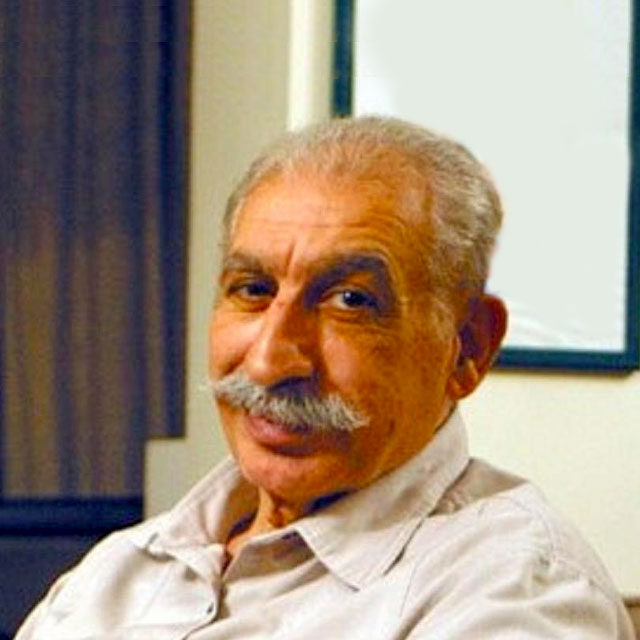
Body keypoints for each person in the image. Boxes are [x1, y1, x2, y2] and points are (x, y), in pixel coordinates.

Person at [17, 117, 634, 639]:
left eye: (350, 301)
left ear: (467, 347)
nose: (270, 361)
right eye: (252, 290)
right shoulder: (119, 572)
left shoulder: (519, 589)